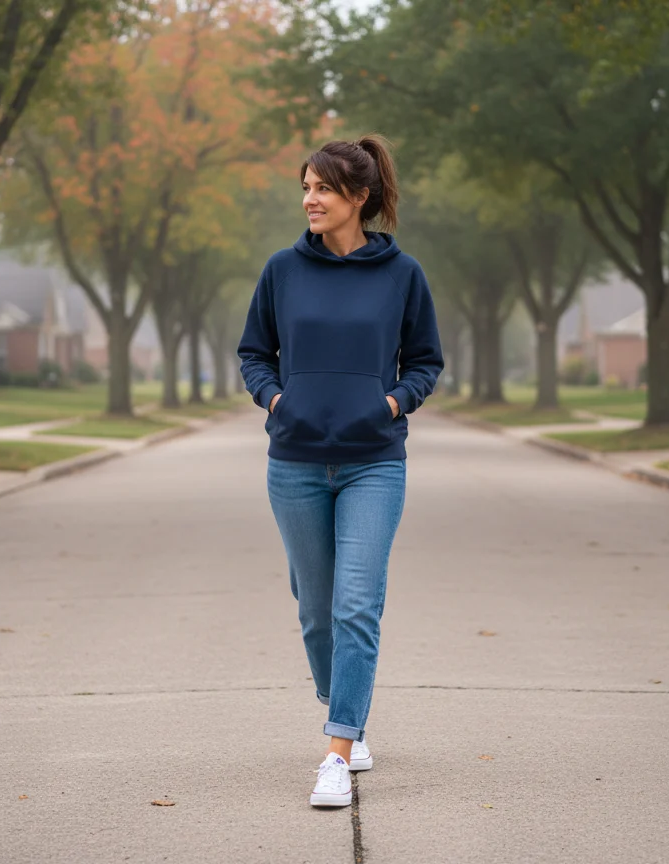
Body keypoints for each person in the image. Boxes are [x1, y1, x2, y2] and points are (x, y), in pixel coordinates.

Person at [237, 134, 444, 808]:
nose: (309, 199)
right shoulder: (281, 270)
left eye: (322, 188)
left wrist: (390, 403)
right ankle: (348, 713)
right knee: (316, 612)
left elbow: (424, 363)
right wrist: (276, 399)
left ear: (359, 197)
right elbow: (253, 353)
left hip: (373, 465)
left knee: (357, 605)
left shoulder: (402, 275)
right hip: (294, 462)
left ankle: (337, 749)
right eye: (304, 187)